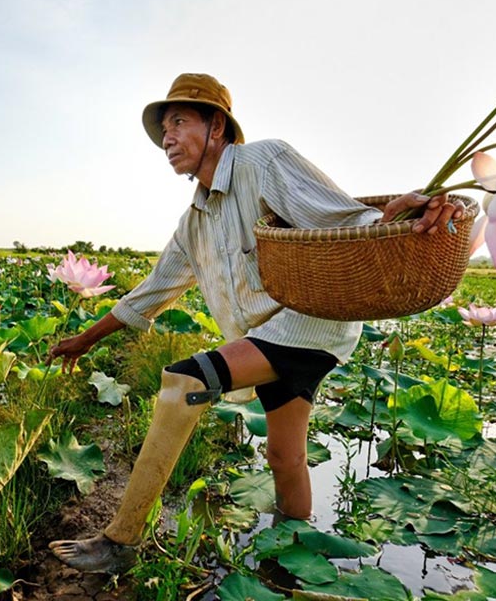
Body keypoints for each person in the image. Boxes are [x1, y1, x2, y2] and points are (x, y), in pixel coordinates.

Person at [48, 73, 462, 573]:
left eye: (179, 122)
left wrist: (392, 220)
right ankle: (291, 562)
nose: (167, 138)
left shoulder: (262, 162)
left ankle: (122, 541)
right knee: (285, 460)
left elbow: (336, 217)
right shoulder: (194, 221)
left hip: (308, 325)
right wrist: (85, 340)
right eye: (164, 129)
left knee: (186, 380)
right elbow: (150, 293)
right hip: (266, 339)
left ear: (217, 126)